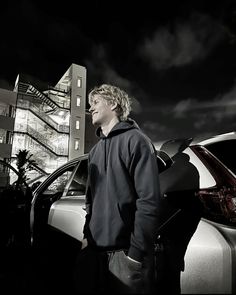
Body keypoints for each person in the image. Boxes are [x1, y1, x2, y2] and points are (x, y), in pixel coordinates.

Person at [74, 84, 161, 294]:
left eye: (95, 103)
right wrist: (87, 237)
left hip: (125, 255)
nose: (90, 108)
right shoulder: (94, 152)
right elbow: (90, 201)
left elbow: (148, 200)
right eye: (90, 104)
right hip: (94, 253)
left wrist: (135, 254)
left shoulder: (136, 141)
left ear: (113, 103)